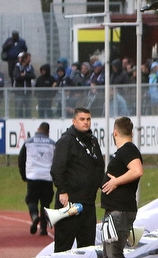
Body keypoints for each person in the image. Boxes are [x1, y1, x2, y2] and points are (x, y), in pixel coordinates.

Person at [51, 107, 105, 252]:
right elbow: (57, 168)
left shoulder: (93, 141)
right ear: (74, 121)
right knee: (63, 248)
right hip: (70, 203)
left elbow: (99, 166)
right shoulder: (66, 141)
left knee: (87, 248)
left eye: (88, 119)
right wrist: (62, 190)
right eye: (82, 119)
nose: (86, 122)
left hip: (88, 203)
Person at [101, 116, 143, 258]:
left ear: (115, 133)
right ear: (131, 133)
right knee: (108, 254)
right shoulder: (124, 151)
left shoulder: (128, 150)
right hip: (114, 211)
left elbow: (137, 170)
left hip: (120, 210)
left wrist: (115, 182)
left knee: (114, 253)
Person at [18, 122, 55, 236]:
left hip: (33, 176)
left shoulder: (28, 143)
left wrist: (24, 175)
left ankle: (34, 216)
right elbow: (57, 161)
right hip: (47, 177)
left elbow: (21, 160)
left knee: (31, 200)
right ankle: (43, 229)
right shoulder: (53, 144)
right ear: (48, 132)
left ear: (38, 130)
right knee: (45, 204)